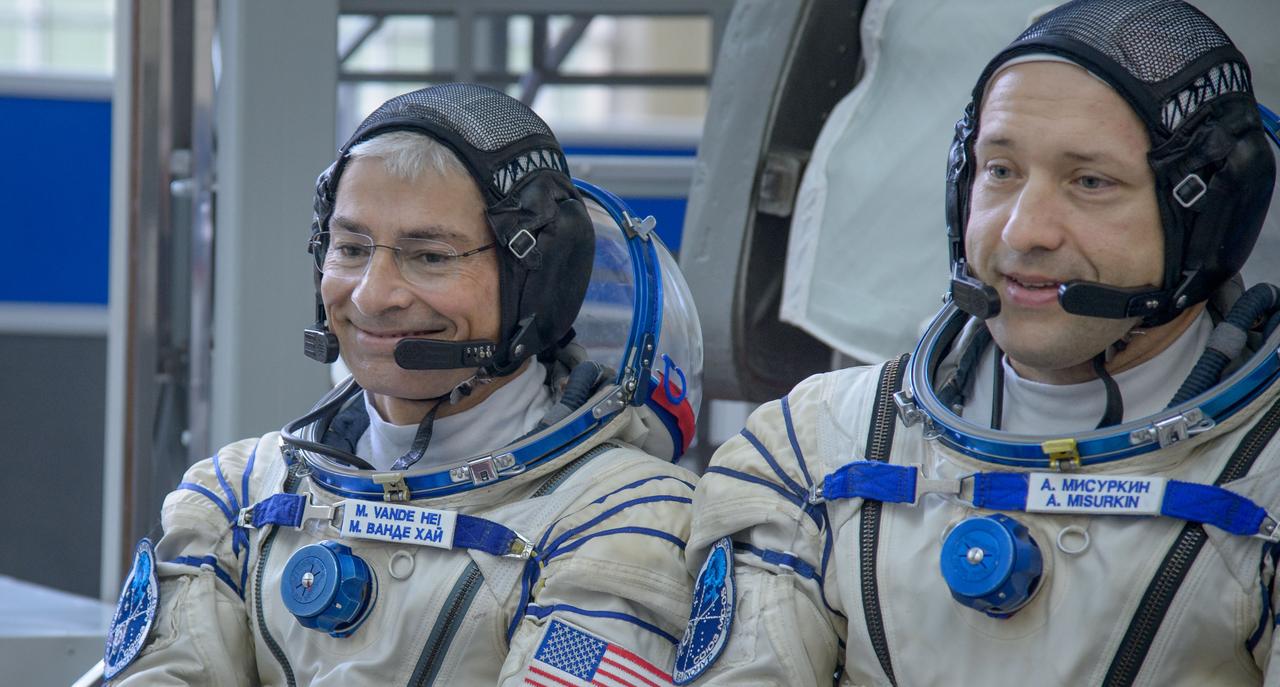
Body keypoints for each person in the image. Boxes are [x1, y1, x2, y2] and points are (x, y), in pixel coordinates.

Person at [674, 1, 1280, 684]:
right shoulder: (814, 448)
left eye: (1090, 182)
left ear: (1211, 216)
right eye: (1000, 171)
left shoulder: (1263, 471)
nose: (1022, 231)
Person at [103, 83, 703, 686]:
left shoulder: (624, 517)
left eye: (430, 256)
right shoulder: (237, 497)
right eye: (350, 247)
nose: (372, 296)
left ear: (538, 283)